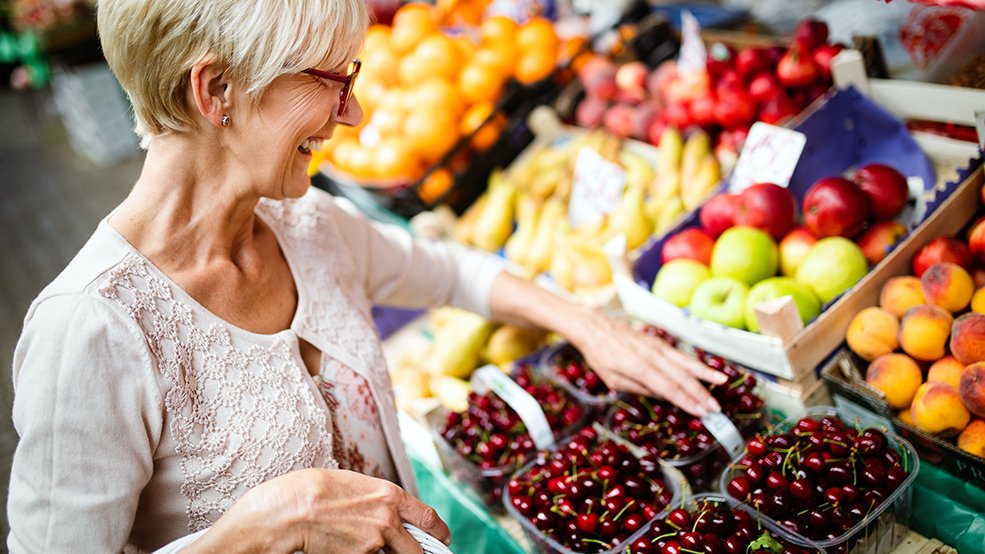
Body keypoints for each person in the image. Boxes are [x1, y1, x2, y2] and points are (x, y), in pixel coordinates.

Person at [7, 0, 726, 552]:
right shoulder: (92, 328)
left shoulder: (306, 223)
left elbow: (450, 273)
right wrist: (258, 530)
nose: (355, 113)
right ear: (216, 88)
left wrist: (588, 324)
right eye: (331, 80)